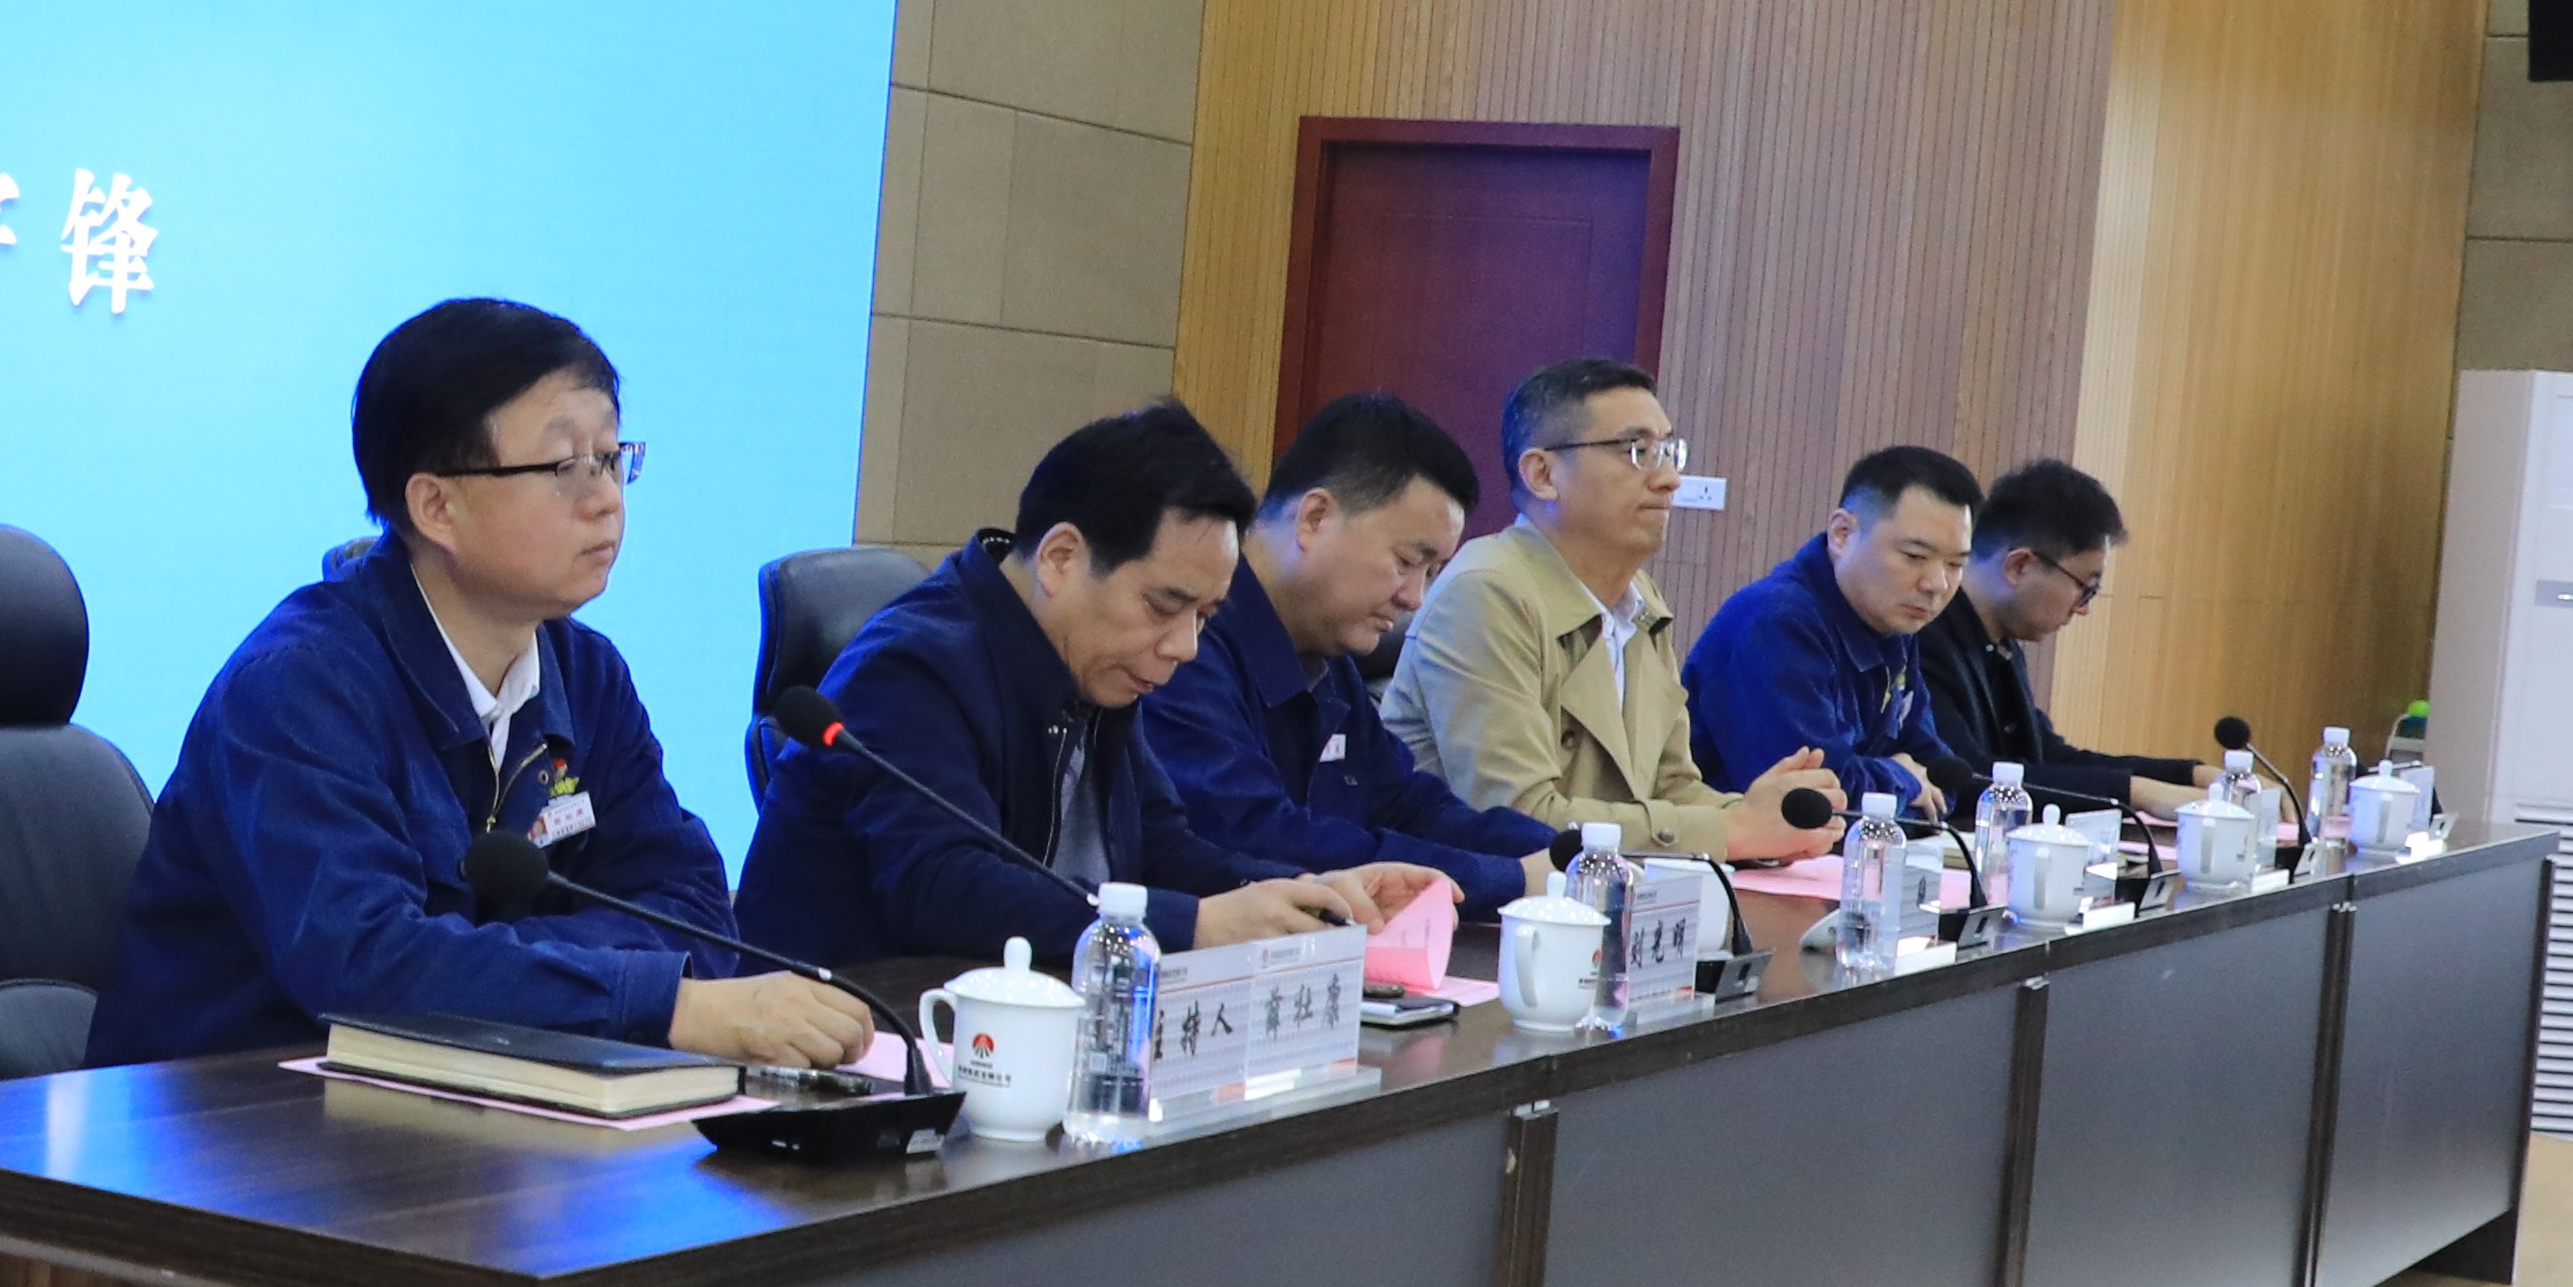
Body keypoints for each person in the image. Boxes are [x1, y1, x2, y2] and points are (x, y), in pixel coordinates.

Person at [96, 298, 873, 1071]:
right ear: (437, 505)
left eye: (612, 458)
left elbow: (694, 909)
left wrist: (497, 969)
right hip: (238, 1118)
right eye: (564, 466)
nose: (606, 498)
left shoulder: (587, 674)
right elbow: (369, 967)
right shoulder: (297, 690)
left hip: (471, 1098)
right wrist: (655, 998)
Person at [731, 400, 1400, 970]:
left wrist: (1305, 895)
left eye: (1204, 617)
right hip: (857, 1041)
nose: (1185, 646)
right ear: (1060, 559)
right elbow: (945, 886)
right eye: (1164, 606)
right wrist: (1194, 924)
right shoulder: (911, 666)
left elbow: (1162, 851)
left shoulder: (1096, 666)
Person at [1387, 358, 1844, 862]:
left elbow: (1671, 788)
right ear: (1542, 474)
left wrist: (1768, 821)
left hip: (1606, 891)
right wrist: (1731, 830)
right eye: (1636, 452)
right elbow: (1517, 817)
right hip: (1478, 898)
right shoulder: (1486, 593)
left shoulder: (1639, 598)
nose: (1668, 478)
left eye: (1668, 451)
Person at [1145, 391, 1562, 905]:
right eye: (1406, 562)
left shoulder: (1328, 656)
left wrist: (1564, 856)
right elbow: (1256, 833)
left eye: (1431, 572)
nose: (1415, 598)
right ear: (1314, 517)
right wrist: (1511, 879)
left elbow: (1407, 806)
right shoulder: (1186, 645)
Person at [1683, 443, 1980, 814]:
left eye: (1955, 565)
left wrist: (1902, 786)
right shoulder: (1775, 623)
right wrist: (1901, 779)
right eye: (1915, 556)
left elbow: (1938, 780)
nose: (1936, 584)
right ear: (1842, 534)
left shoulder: (1894, 624)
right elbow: (1809, 801)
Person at [1915, 457, 2203, 815]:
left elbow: (2047, 757)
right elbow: (1966, 776)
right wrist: (2134, 793)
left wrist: (2189, 775)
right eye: (2085, 588)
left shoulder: (1998, 641)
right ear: (2019, 566)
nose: (2083, 609)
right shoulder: (1925, 636)